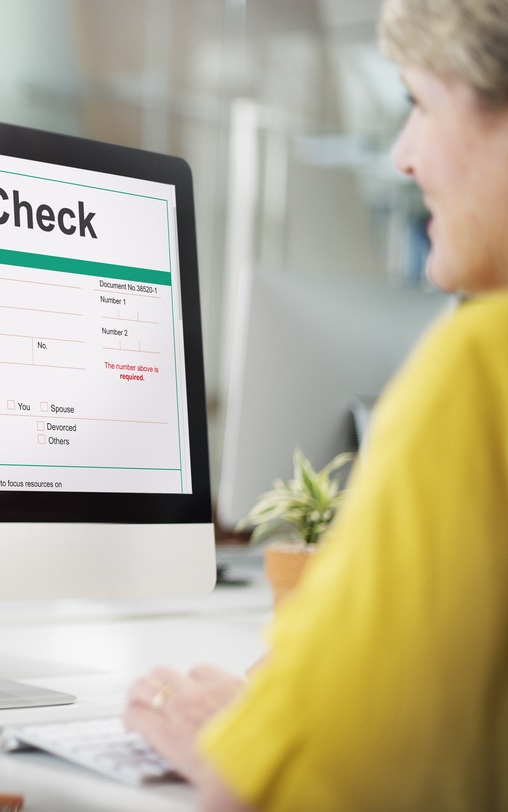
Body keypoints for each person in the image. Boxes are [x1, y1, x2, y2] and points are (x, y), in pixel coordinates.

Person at [123, 1, 508, 809]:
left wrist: (243, 743)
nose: (402, 154)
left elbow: (308, 789)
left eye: (420, 104)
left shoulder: (481, 366)